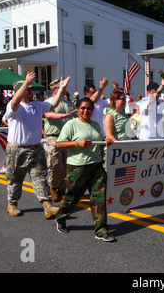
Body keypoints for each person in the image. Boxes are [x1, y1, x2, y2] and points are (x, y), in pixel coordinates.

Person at [5, 72, 70, 218]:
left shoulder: (37, 105)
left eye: (30, 88)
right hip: (16, 150)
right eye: (28, 89)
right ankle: (12, 203)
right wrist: (26, 82)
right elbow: (15, 102)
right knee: (15, 179)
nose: (31, 91)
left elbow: (54, 103)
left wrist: (62, 89)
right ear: (19, 91)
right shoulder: (13, 106)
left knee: (40, 177)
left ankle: (47, 206)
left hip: (35, 149)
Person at [55, 97, 115, 242]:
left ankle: (101, 230)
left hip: (96, 166)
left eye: (89, 108)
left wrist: (106, 142)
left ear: (92, 110)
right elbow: (59, 144)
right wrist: (77, 143)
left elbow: (99, 143)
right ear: (78, 108)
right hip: (78, 167)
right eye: (82, 108)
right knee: (73, 197)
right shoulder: (71, 124)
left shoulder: (95, 124)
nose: (85, 111)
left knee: (99, 197)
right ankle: (61, 217)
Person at [43, 79, 78, 201]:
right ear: (54, 90)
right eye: (61, 88)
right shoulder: (48, 102)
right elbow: (48, 115)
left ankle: (62, 189)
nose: (65, 90)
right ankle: (53, 187)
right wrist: (66, 116)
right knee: (55, 164)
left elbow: (77, 116)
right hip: (54, 137)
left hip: (68, 138)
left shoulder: (68, 103)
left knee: (67, 165)